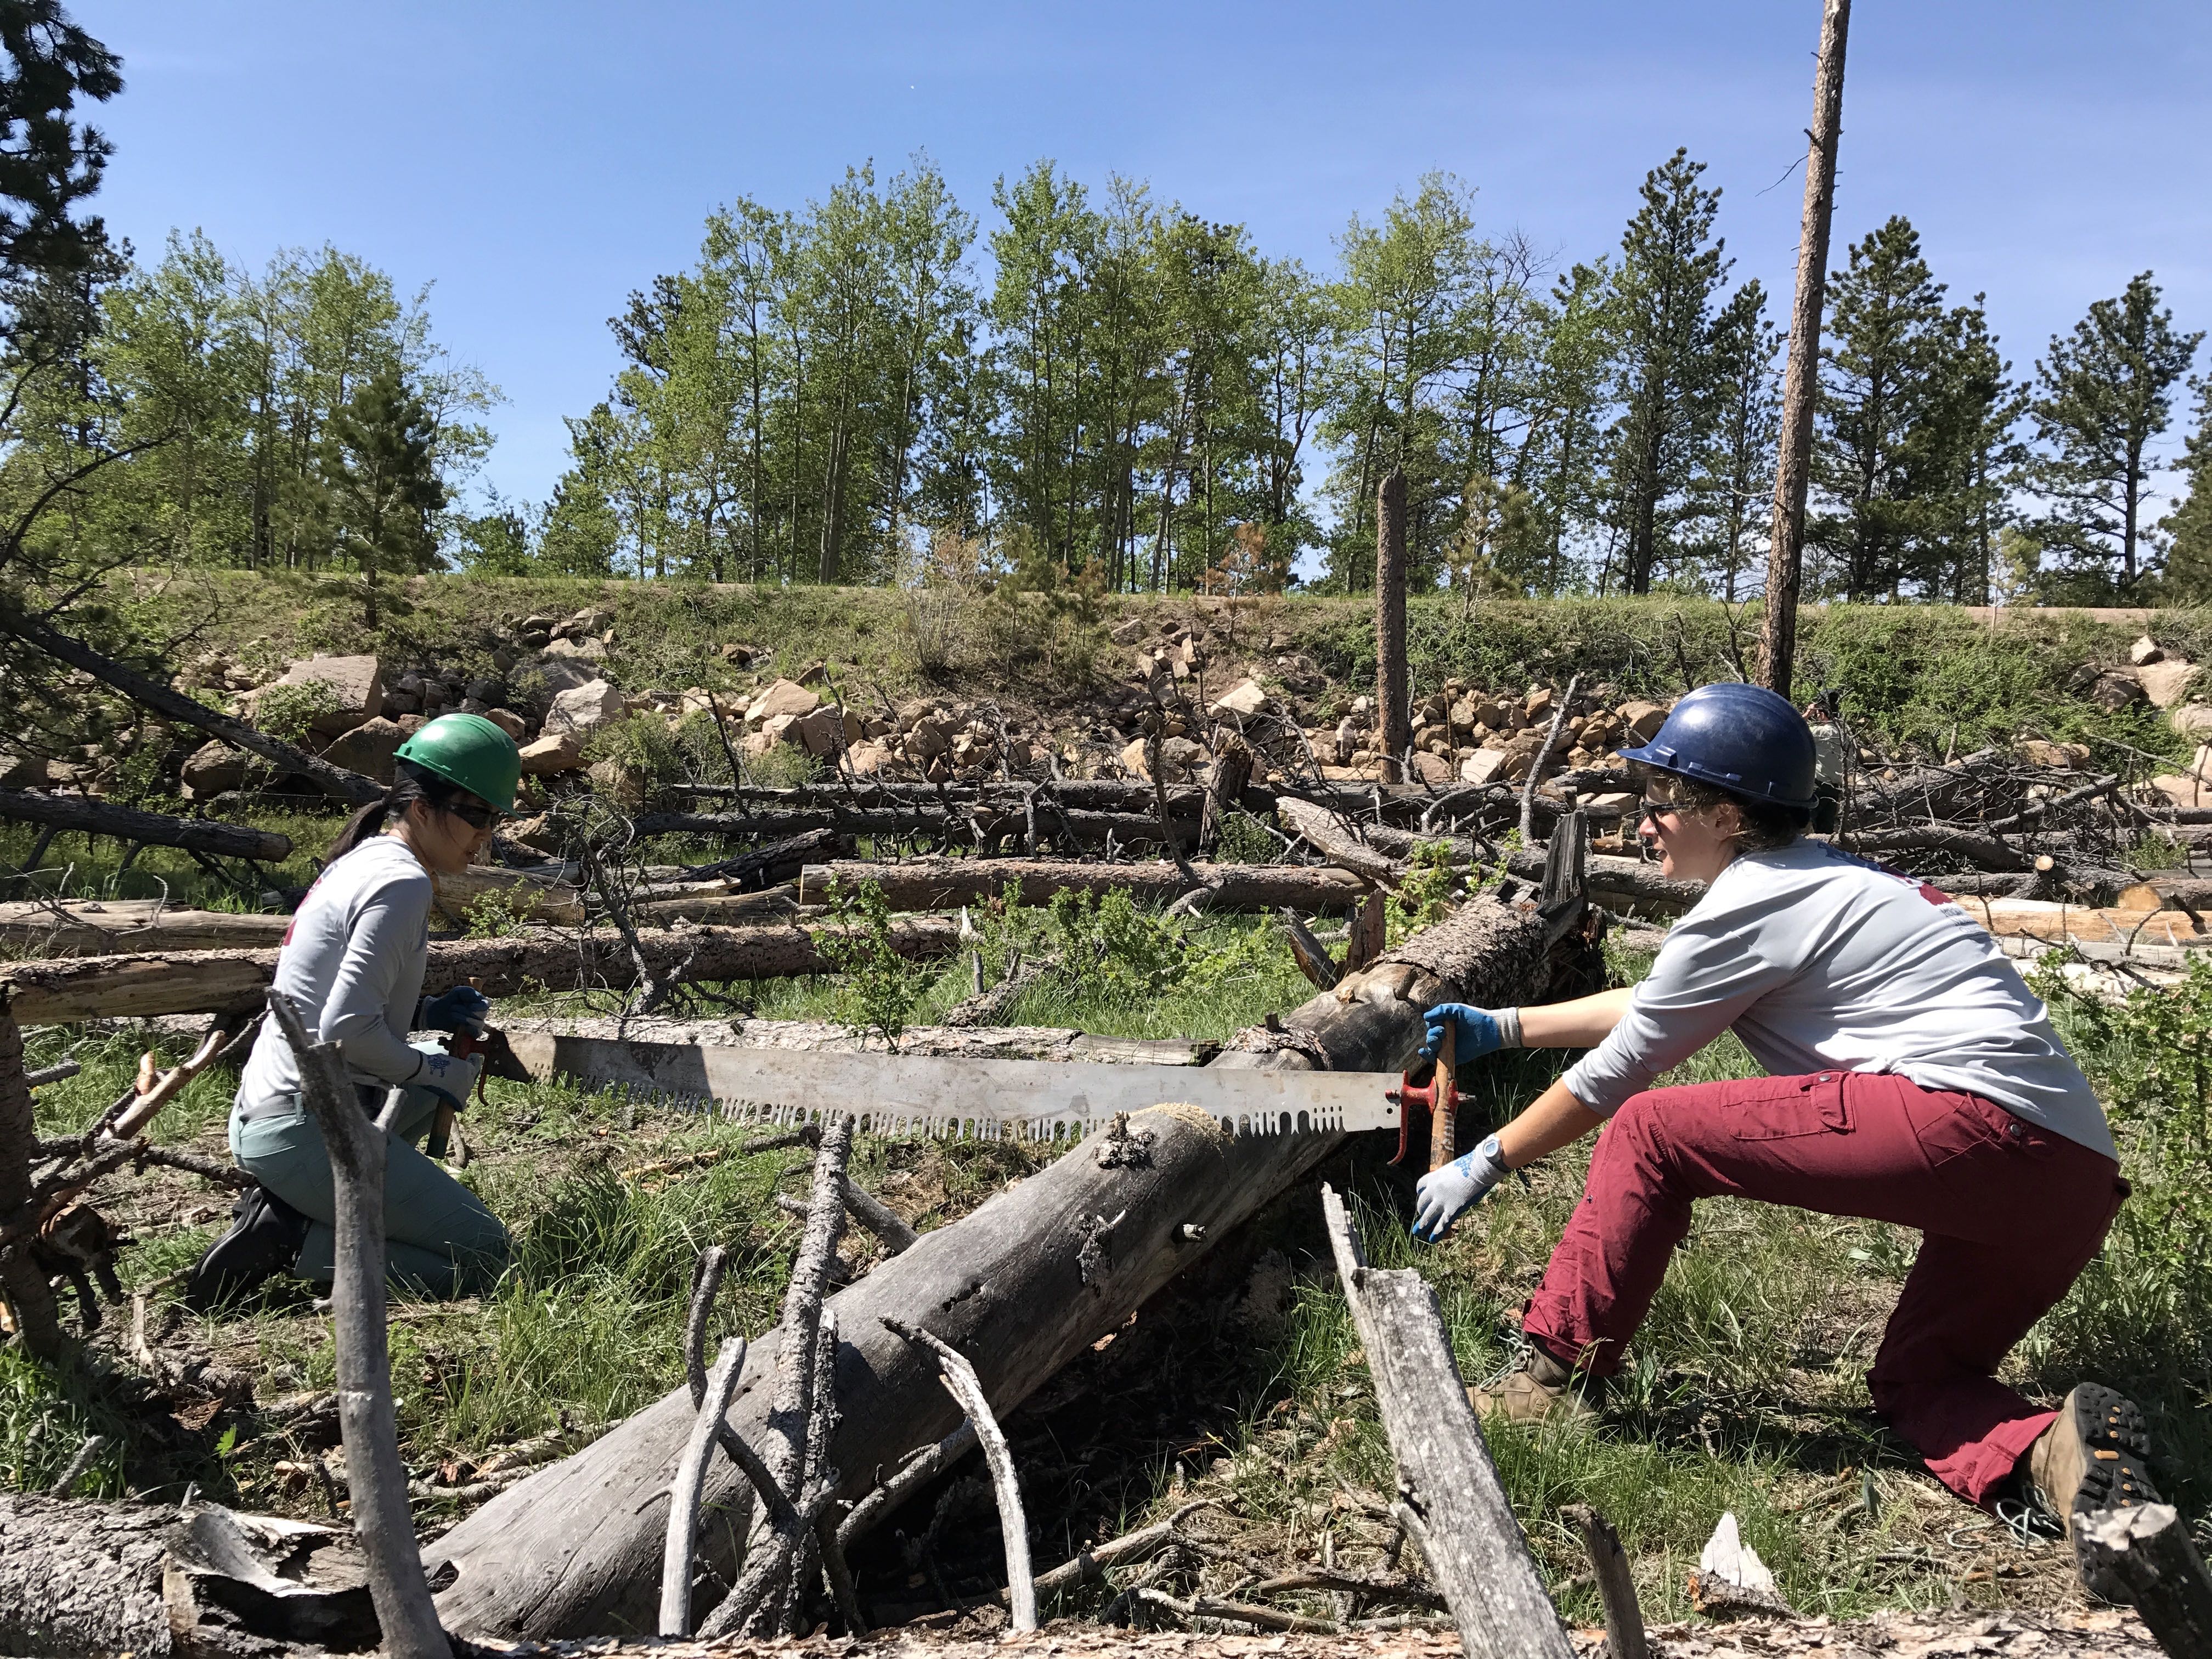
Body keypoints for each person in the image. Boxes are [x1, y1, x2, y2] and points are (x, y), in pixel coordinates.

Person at [1409, 682, 2159, 1584]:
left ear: (1722, 813)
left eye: (1662, 800)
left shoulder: (1751, 900)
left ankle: (1551, 1370)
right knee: (1922, 1377)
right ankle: (2056, 1456)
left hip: (1967, 1125)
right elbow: (1662, 1004)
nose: (1645, 821)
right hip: (2068, 1176)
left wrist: (1487, 1158)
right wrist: (1505, 1023)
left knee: (1651, 1129)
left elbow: (1621, 1075)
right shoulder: (1821, 879)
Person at [185, 713, 522, 1309]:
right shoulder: (401, 884)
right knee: (489, 1259)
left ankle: (303, 1204)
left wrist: (425, 1013)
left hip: (278, 1110)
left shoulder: (365, 861)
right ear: (421, 807)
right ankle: (296, 1241)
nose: (485, 835)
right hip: (304, 1126)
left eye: (494, 819)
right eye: (476, 815)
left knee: (430, 1064)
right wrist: (432, 1074)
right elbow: (343, 1031)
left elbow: (334, 1000)